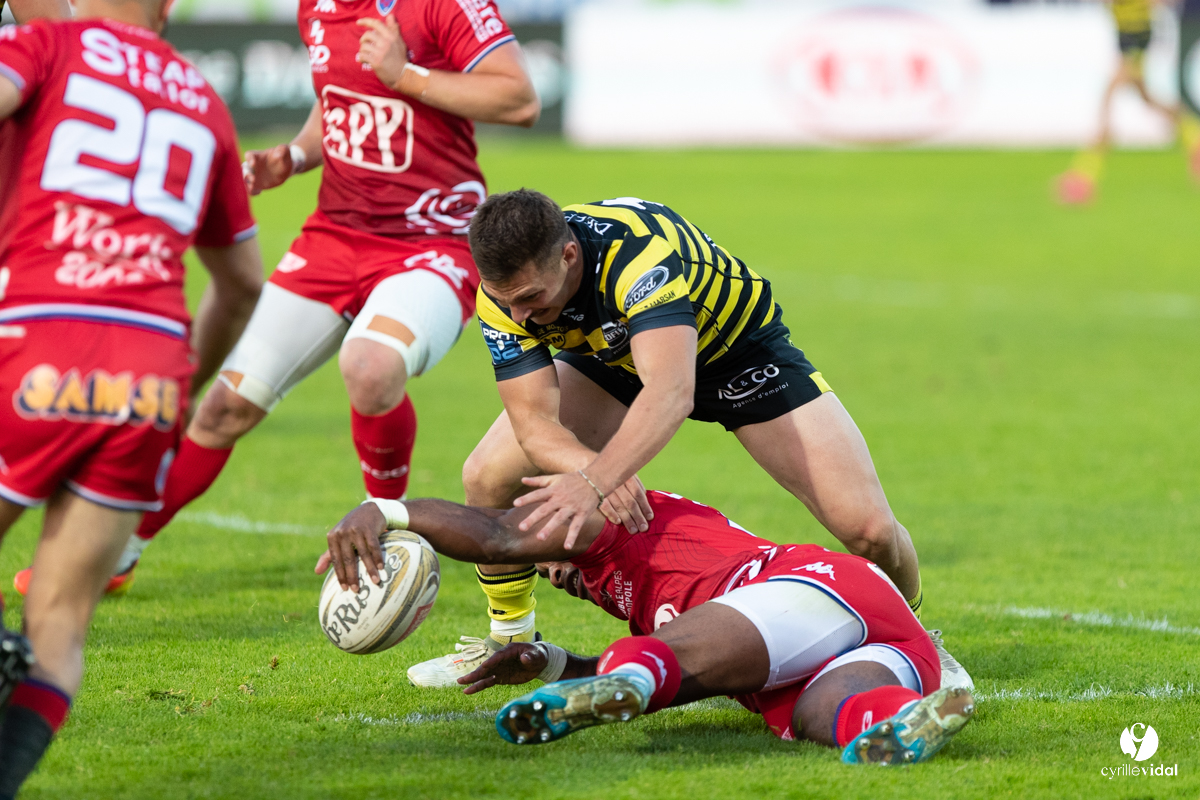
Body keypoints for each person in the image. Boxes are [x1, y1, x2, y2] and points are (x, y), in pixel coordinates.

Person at [11, 0, 540, 597]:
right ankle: (120, 555)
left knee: (370, 366)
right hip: (335, 237)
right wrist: (293, 155)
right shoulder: (315, 8)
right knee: (221, 410)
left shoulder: (442, 5)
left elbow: (519, 99)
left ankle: (387, 531)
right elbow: (339, 99)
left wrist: (405, 76)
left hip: (430, 239)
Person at [404, 190, 962, 690]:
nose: (519, 314)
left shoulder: (636, 258)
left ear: (568, 255)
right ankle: (508, 637)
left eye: (531, 297)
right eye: (508, 301)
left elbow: (671, 392)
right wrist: (585, 470)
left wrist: (598, 477)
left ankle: (919, 636)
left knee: (868, 531)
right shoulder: (504, 297)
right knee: (487, 473)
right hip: (615, 363)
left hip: (738, 355)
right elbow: (533, 424)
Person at [0, 0, 263, 793]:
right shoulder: (201, 98)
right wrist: (179, 389)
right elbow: (242, 283)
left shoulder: (47, 44)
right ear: (171, 7)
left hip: (41, 337)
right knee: (60, 621)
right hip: (150, 374)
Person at [317, 491, 975, 761]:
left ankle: (613, 691)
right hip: (869, 644)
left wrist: (384, 511)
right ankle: (908, 718)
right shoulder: (629, 592)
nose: (543, 565)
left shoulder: (610, 519)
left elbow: (494, 533)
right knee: (820, 714)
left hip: (815, 589)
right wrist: (548, 663)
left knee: (659, 658)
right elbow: (698, 657)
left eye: (538, 550)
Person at [1056, 0, 1196, 203]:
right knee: (1146, 99)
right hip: (1127, 39)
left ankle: (1083, 175)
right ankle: (1194, 139)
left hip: (1135, 40)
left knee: (1108, 101)